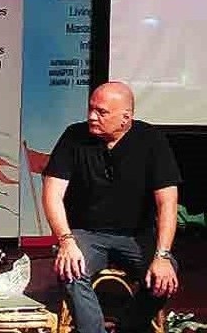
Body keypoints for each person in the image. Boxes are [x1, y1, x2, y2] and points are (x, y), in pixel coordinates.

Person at [43, 81, 181, 333]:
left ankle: (127, 327)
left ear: (125, 118)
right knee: (70, 269)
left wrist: (162, 256)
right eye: (91, 109)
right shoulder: (74, 136)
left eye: (102, 112)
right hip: (86, 234)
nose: (92, 116)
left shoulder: (152, 140)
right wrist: (66, 241)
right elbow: (52, 194)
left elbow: (168, 203)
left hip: (136, 235)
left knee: (165, 275)